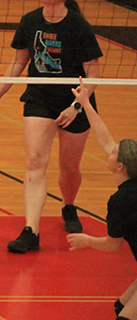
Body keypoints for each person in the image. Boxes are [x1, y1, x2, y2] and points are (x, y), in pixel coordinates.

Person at [0, 0, 103, 253]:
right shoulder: (30, 20)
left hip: (74, 101)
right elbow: (19, 62)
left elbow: (93, 74)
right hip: (39, 99)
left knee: (69, 168)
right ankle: (31, 231)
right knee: (35, 161)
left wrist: (76, 106)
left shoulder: (78, 26)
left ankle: (68, 205)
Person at [68, 78, 137, 320]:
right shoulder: (130, 178)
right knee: (120, 308)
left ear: (120, 166)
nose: (109, 151)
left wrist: (87, 240)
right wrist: (85, 103)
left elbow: (113, 245)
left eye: (114, 152)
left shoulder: (121, 201)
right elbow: (105, 138)